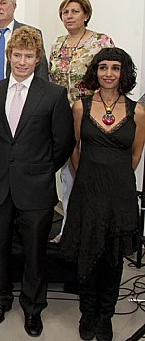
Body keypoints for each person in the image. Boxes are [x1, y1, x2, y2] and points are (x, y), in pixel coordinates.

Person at [0, 26, 75, 337]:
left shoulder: (53, 94)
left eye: (29, 56)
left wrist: (41, 170)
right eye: (17, 55)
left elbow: (63, 142)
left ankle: (33, 308)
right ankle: (1, 298)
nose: (22, 61)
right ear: (8, 57)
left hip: (35, 188)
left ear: (38, 60)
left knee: (35, 253)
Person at [60, 48, 144, 341]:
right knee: (88, 253)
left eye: (115, 68)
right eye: (103, 67)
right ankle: (88, 312)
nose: (109, 73)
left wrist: (114, 175)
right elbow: (74, 147)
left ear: (124, 73)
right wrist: (89, 175)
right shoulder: (80, 106)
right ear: (95, 71)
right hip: (88, 191)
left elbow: (135, 155)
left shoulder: (139, 111)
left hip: (120, 194)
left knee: (113, 258)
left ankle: (105, 316)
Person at [48, 0, 115, 243]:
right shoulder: (58, 44)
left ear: (86, 14)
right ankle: (69, 229)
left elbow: (112, 76)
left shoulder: (100, 41)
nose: (69, 16)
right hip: (63, 118)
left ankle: (94, 231)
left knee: (91, 174)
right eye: (65, 12)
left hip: (92, 117)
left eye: (75, 11)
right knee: (67, 177)